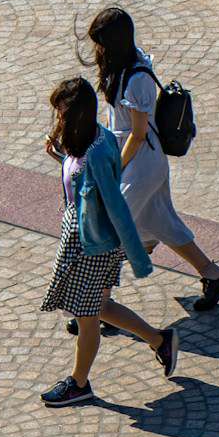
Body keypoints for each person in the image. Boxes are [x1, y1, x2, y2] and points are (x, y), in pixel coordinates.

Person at [85, 6, 219, 312]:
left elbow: (138, 133)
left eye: (101, 42)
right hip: (137, 161)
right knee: (161, 223)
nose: (97, 50)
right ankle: (216, 275)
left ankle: (95, 305)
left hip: (141, 164)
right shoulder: (123, 68)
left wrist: (116, 166)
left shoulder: (136, 78)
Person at [39, 77, 179, 409]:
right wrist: (60, 158)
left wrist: (136, 257)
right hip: (84, 239)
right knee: (99, 309)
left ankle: (79, 383)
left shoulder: (98, 149)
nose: (57, 120)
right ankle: (161, 340)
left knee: (88, 318)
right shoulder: (86, 142)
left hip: (95, 247)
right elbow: (84, 182)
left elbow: (115, 205)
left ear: (75, 115)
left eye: (60, 113)